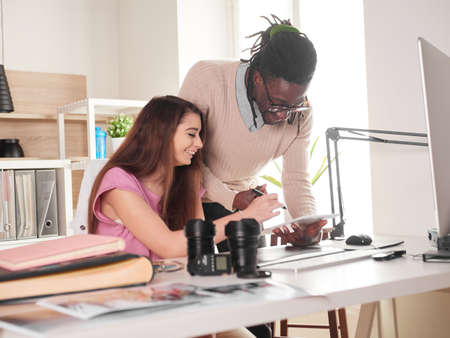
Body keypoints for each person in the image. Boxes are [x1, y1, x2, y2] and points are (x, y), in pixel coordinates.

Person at [178, 16, 326, 338]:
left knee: (257, 313)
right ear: (257, 77)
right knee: (202, 305)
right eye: (277, 104)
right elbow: (185, 157)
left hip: (245, 204)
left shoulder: (300, 114)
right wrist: (232, 199)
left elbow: (298, 179)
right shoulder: (207, 79)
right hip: (194, 198)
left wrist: (307, 222)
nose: (283, 115)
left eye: (294, 105)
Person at [87, 95, 281, 338]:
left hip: (175, 297)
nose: (199, 144)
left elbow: (202, 251)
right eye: (191, 134)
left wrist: (240, 264)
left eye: (199, 135)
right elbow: (169, 246)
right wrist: (245, 217)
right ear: (161, 133)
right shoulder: (118, 183)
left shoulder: (184, 183)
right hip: (129, 305)